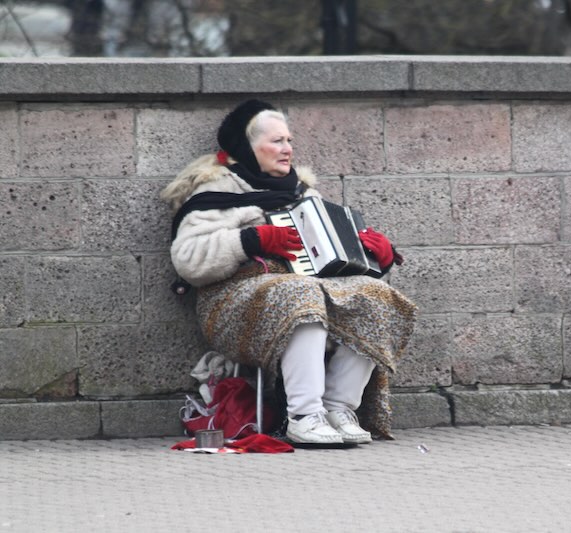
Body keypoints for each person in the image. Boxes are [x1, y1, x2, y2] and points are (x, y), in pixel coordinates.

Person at [161, 100, 417, 445]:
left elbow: (331, 259)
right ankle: (303, 415)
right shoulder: (216, 191)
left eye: (289, 141)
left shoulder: (304, 193)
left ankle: (338, 407)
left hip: (304, 290)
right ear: (246, 148)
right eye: (277, 141)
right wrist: (251, 240)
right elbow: (188, 260)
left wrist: (376, 258)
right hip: (231, 302)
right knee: (301, 293)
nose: (287, 150)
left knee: (375, 296)